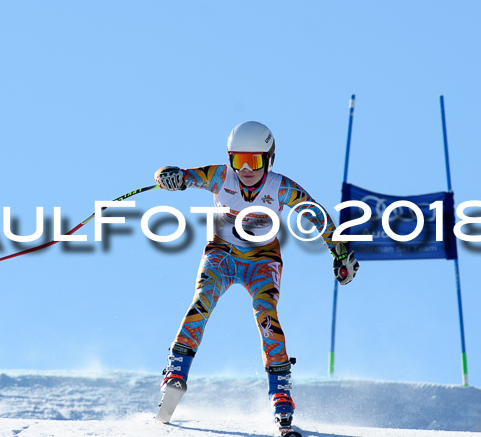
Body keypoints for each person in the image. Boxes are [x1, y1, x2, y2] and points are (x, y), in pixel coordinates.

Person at [153, 121, 359, 436]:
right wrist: (169, 177)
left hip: (262, 261)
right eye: (238, 161)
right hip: (222, 255)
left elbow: (317, 216)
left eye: (255, 161)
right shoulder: (220, 177)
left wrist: (340, 253)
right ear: (229, 159)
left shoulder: (280, 187)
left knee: (267, 316)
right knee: (203, 299)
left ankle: (281, 397)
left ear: (269, 159)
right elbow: (180, 176)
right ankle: (176, 372)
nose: (246, 169)